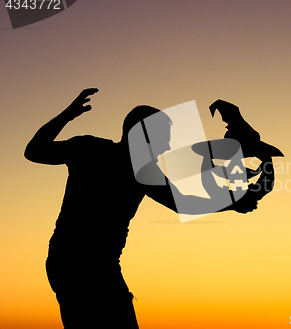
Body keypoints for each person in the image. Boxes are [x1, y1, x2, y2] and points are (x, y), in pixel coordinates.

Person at [24, 88, 261, 328]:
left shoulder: (138, 169)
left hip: (102, 265)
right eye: (162, 139)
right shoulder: (94, 151)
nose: (166, 147)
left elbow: (183, 203)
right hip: (72, 263)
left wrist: (234, 202)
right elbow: (33, 151)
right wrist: (68, 114)